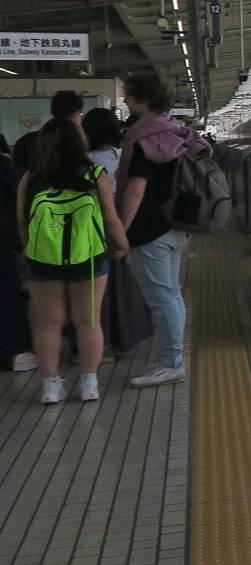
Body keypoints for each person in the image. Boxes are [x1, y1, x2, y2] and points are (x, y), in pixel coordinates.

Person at [17, 118, 130, 403]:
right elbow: (110, 217)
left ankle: (50, 387)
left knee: (48, 324)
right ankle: (89, 384)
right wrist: (122, 245)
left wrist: (32, 250)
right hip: (88, 257)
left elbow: (22, 221)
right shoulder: (95, 174)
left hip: (42, 260)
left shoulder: (31, 177)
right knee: (88, 322)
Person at [117, 74, 210, 388]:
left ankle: (171, 363)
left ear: (144, 98)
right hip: (175, 225)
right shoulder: (174, 131)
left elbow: (136, 189)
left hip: (148, 229)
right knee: (170, 295)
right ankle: (166, 359)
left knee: (162, 299)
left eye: (129, 95)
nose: (125, 100)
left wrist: (120, 231)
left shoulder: (144, 137)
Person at [82, 108, 152, 356]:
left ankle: (101, 344)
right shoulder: (125, 157)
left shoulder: (85, 162)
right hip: (126, 225)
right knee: (126, 287)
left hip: (92, 232)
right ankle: (127, 337)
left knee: (96, 293)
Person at [0, 134, 34, 371]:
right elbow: (18, 207)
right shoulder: (5, 167)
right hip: (3, 243)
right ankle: (18, 353)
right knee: (9, 295)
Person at [13, 90, 84, 178]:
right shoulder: (79, 142)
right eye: (80, 114)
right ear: (75, 114)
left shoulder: (26, 141)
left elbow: (18, 174)